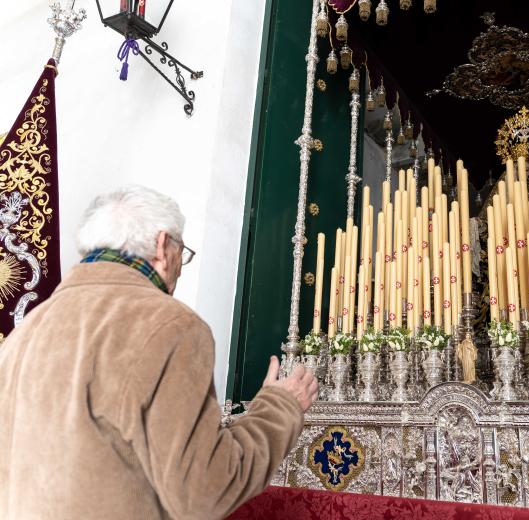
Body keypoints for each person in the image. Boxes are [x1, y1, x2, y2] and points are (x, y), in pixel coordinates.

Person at [0, 185, 318, 519]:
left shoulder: (27, 329)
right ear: (164, 245)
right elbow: (207, 491)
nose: (181, 266)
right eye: (184, 252)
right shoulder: (169, 324)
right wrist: (280, 406)